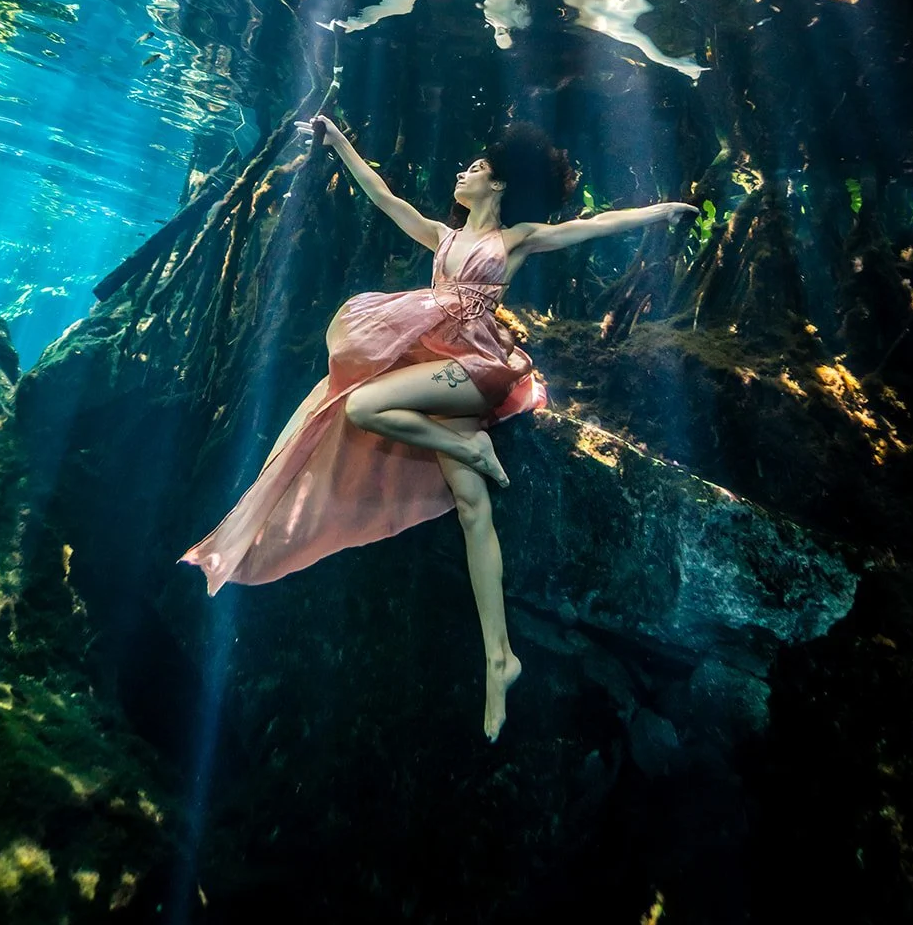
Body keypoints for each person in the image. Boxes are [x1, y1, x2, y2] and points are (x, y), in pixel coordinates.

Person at [181, 117, 696, 740]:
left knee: (364, 409)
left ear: (497, 183)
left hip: (475, 368)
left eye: (474, 167)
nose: (462, 172)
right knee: (467, 502)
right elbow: (382, 194)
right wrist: (339, 142)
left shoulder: (518, 238)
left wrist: (659, 211)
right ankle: (501, 655)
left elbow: (588, 227)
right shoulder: (442, 236)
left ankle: (468, 464)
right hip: (433, 367)